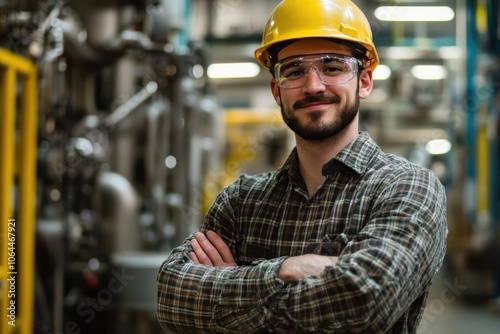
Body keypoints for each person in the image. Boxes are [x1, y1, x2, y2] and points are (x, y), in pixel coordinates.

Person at [157, 0, 448, 332]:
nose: (313, 86)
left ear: (364, 81)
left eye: (333, 67)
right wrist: (288, 269)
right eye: (294, 71)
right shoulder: (241, 203)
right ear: (276, 91)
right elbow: (172, 297)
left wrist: (230, 290)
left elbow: (365, 301)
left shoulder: (408, 187)